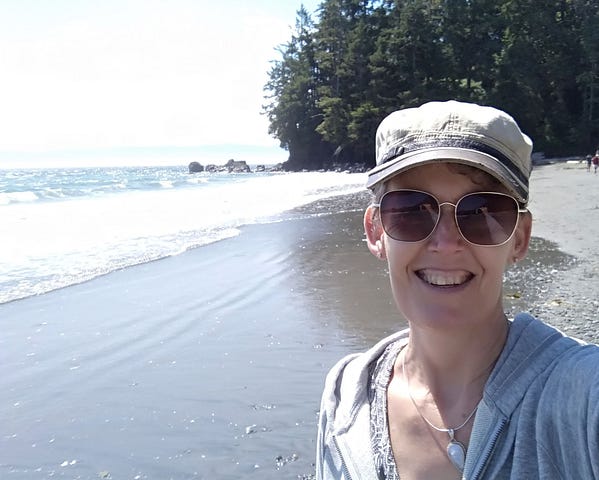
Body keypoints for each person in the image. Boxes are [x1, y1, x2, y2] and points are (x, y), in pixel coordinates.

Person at [316, 100, 599, 479]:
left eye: (482, 212)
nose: (446, 243)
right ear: (376, 231)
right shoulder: (346, 395)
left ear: (520, 238)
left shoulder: (581, 396)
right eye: (412, 209)